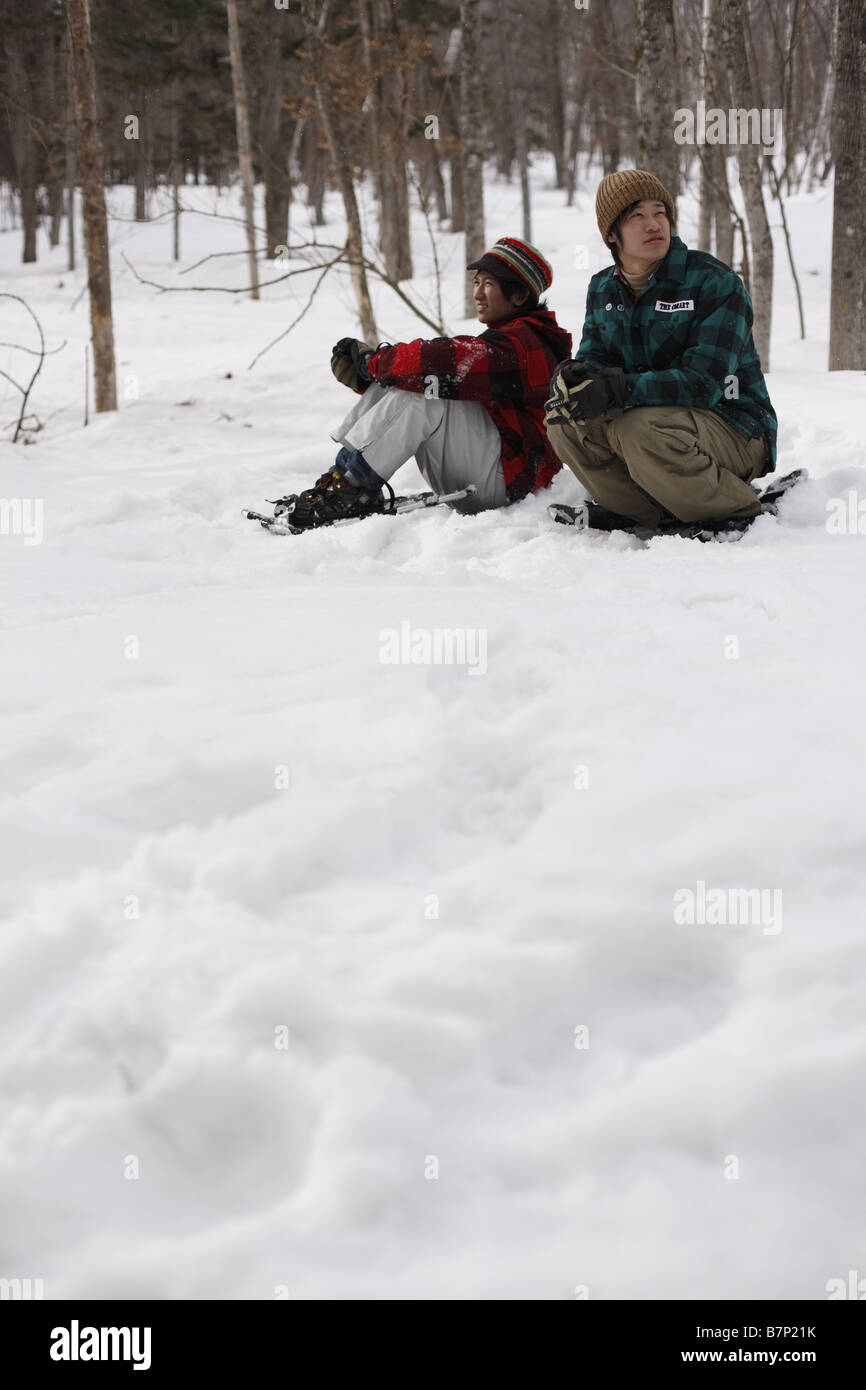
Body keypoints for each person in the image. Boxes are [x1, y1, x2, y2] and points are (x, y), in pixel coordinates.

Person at [283, 237, 573, 529]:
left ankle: (352, 486)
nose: (477, 293)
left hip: (511, 485)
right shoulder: (511, 339)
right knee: (418, 378)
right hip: (492, 476)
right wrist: (372, 379)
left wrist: (376, 363)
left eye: (489, 284)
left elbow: (444, 359)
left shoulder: (524, 345)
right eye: (476, 282)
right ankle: (342, 480)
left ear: (519, 295)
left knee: (427, 384)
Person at [544, 169, 778, 530]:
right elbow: (596, 359)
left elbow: (704, 384)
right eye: (637, 215)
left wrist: (620, 388)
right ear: (611, 234)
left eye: (660, 212)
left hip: (736, 427)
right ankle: (644, 511)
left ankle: (733, 507)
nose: (654, 224)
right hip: (656, 426)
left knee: (636, 428)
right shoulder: (602, 288)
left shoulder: (714, 282)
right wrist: (577, 378)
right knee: (565, 422)